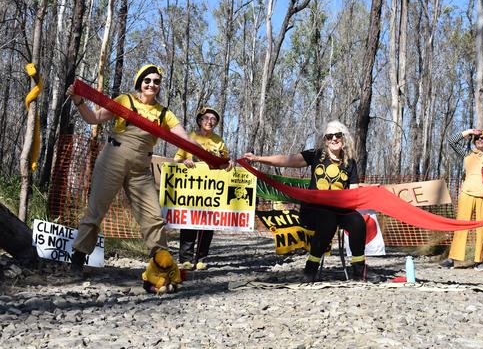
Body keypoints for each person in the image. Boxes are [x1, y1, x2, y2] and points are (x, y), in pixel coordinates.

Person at [65, 64, 200, 278]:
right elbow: (94, 118)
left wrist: (214, 158)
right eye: (148, 80)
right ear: (139, 82)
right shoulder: (124, 101)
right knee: (95, 211)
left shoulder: (164, 113)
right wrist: (78, 100)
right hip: (112, 160)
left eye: (156, 81)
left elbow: (184, 138)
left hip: (141, 168)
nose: (152, 85)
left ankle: (161, 265)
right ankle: (78, 260)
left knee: (154, 216)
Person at [243, 120, 368, 282]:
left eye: (338, 135)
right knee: (328, 220)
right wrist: (258, 158)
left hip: (340, 209)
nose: (334, 139)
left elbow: (354, 192)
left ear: (343, 138)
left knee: (358, 221)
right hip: (314, 209)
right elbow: (286, 160)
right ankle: (310, 269)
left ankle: (359, 271)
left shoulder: (350, 162)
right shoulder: (315, 155)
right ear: (325, 140)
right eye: (330, 136)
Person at [174, 106, 234, 270]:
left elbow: (225, 161)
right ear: (200, 121)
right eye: (206, 118)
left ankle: (201, 258)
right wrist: (184, 162)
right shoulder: (189, 137)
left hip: (211, 189)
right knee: (189, 221)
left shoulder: (219, 141)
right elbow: (176, 160)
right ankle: (185, 258)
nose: (210, 121)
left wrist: (230, 163)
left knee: (207, 223)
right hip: (191, 189)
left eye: (213, 119)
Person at [440, 129, 483, 271]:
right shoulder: (467, 154)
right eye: (477, 139)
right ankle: (452, 259)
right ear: (474, 141)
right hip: (467, 193)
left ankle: (480, 261)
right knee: (461, 226)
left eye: (482, 139)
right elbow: (451, 141)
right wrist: (470, 131)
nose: (480, 141)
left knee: (482, 230)